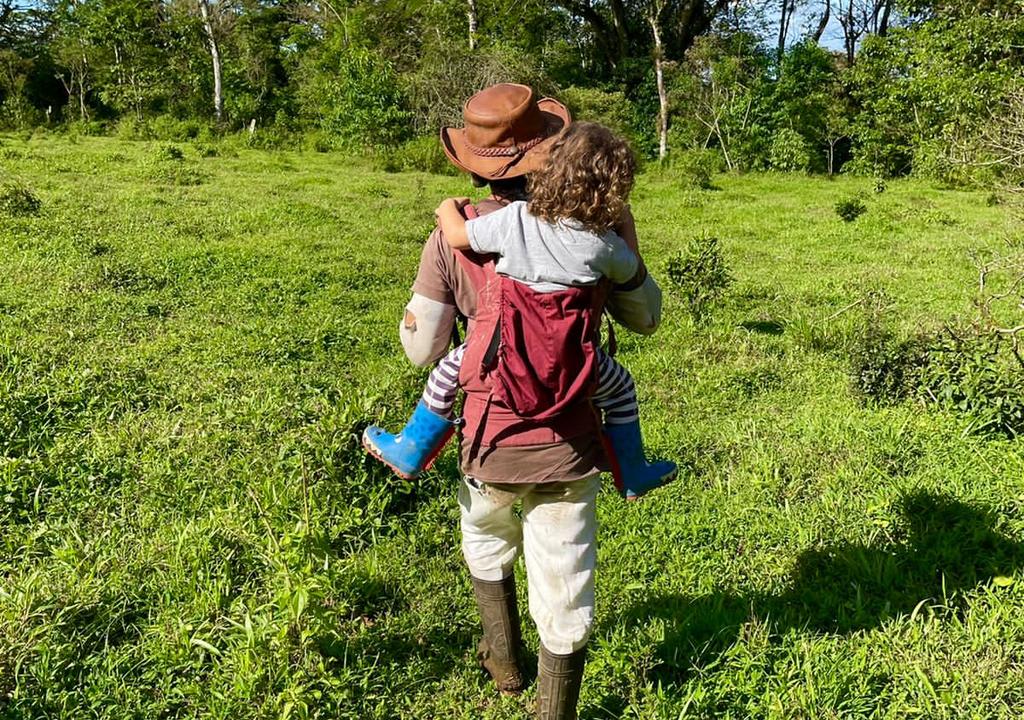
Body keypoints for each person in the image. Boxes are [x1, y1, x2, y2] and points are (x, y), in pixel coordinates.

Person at [382, 83, 664, 720]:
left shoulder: (476, 232)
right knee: (565, 580)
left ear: (473, 161)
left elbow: (422, 350)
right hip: (570, 436)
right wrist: (627, 241)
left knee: (485, 539)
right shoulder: (597, 241)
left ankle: (503, 664)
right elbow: (645, 318)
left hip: (488, 435)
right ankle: (554, 710)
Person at [362, 121, 676, 501]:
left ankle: (412, 447)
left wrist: (447, 207)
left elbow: (458, 235)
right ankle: (632, 470)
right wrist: (624, 221)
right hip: (575, 357)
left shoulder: (516, 221)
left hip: (505, 345)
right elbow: (634, 270)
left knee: (447, 373)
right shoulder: (603, 245)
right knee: (622, 389)